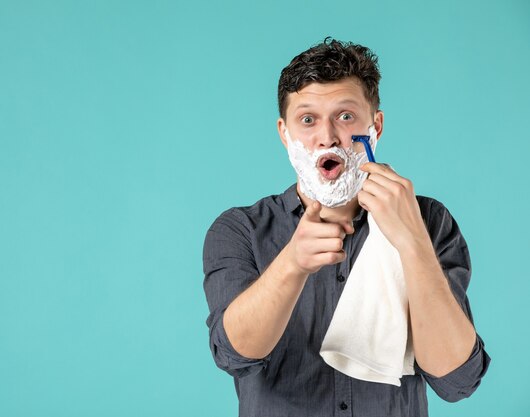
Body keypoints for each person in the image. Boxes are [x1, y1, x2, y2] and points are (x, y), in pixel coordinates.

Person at [202, 38, 490, 416]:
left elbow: (457, 380)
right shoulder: (239, 230)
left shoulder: (429, 221)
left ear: (376, 127)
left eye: (346, 116)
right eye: (307, 120)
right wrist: (292, 264)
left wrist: (413, 241)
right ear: (284, 133)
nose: (327, 137)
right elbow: (233, 355)